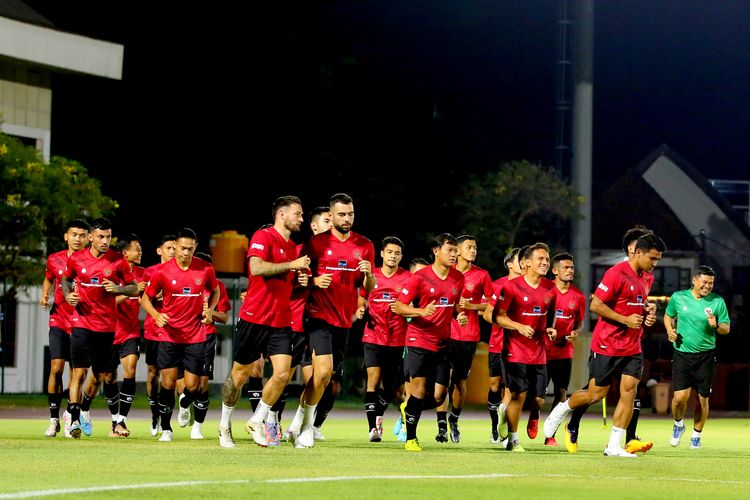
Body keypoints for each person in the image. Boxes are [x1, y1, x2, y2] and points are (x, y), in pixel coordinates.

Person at [543, 233, 665, 457]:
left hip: (633, 345)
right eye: (653, 258)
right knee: (595, 394)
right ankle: (562, 409)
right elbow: (596, 305)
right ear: (638, 252)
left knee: (629, 391)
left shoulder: (647, 277)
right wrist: (625, 320)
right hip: (607, 344)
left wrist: (647, 312)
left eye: (657, 259)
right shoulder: (616, 273)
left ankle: (614, 446)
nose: (654, 264)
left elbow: (639, 302)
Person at [217, 196, 310, 448]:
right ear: (282, 214)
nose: (302, 219)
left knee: (282, 374)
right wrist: (291, 265)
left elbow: (283, 281)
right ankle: (224, 425)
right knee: (239, 376)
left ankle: (257, 419)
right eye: (298, 214)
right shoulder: (264, 237)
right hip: (254, 318)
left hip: (280, 321)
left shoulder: (293, 247)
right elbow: (257, 268)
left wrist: (299, 281)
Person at [289, 193, 376, 448]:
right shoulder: (314, 244)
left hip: (344, 321)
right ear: (331, 215)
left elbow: (368, 287)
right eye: (341, 214)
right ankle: (307, 428)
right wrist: (314, 281)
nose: (346, 219)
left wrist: (369, 275)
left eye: (350, 214)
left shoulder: (365, 245)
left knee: (324, 379)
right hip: (317, 316)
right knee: (323, 371)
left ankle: (297, 420)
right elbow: (297, 280)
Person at [61, 217, 138, 439]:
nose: (105, 241)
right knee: (79, 372)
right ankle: (73, 418)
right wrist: (68, 295)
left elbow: (134, 289)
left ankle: (84, 409)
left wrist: (118, 288)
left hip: (106, 327)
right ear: (91, 237)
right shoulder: (77, 259)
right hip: (82, 323)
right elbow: (66, 280)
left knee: (101, 375)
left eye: (108, 237)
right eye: (101, 237)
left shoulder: (117, 261)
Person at [141, 228, 220, 442]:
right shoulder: (161, 271)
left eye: (190, 249)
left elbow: (216, 290)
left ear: (195, 248)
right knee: (167, 382)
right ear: (175, 246)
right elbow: (145, 299)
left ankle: (185, 403)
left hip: (195, 335)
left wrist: (210, 310)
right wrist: (156, 315)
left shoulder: (205, 269)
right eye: (182, 248)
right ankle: (166, 429)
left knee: (193, 385)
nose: (185, 252)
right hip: (169, 336)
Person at [393, 233, 467, 451]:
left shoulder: (458, 278)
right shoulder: (420, 277)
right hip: (418, 339)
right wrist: (421, 311)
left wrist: (458, 315)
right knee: (419, 388)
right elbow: (398, 306)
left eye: (456, 251)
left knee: (439, 396)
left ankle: (409, 410)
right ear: (436, 251)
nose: (454, 255)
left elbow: (453, 306)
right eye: (450, 250)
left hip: (443, 342)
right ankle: (411, 439)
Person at [484, 242, 557, 452]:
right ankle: (514, 440)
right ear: (526, 263)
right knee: (517, 395)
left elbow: (549, 314)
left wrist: (551, 329)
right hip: (513, 350)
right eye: (540, 259)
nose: (545, 263)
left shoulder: (550, 288)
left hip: (539, 352)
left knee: (538, 400)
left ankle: (505, 413)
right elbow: (496, 316)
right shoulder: (510, 287)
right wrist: (518, 326)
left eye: (547, 259)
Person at [78, 234, 147, 438]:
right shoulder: (110, 270)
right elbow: (106, 302)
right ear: (125, 253)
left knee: (131, 368)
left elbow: (150, 294)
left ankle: (120, 421)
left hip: (130, 331)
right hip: (109, 331)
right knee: (103, 377)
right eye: (137, 249)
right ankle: (84, 408)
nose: (140, 252)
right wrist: (129, 292)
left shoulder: (144, 274)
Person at [664, 265, 730, 449]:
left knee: (702, 399)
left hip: (706, 356)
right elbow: (668, 316)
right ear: (694, 280)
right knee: (679, 398)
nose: (708, 286)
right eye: (705, 282)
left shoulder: (717, 302)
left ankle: (696, 436)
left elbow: (726, 329)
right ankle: (678, 425)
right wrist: (670, 331)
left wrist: (716, 324)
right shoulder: (678, 297)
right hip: (682, 354)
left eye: (711, 283)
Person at [282, 206, 333, 442]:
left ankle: (301, 426)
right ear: (314, 226)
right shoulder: (301, 251)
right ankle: (270, 421)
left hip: (324, 323)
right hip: (296, 322)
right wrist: (313, 280)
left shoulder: (338, 253)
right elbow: (286, 283)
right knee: (283, 375)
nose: (332, 224)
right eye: (327, 220)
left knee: (320, 378)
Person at [436, 234, 493, 443]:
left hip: (468, 336)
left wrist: (472, 307)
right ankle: (441, 424)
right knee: (441, 383)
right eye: (469, 247)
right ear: (457, 251)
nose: (473, 251)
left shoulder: (482, 275)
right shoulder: (446, 273)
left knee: (460, 383)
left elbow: (490, 304)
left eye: (475, 247)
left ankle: (454, 419)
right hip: (444, 334)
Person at [357, 236, 411, 442]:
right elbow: (362, 295)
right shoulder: (372, 276)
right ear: (382, 253)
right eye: (389, 252)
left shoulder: (407, 278)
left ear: (401, 256)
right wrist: (361, 307)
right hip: (372, 336)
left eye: (397, 253)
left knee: (390, 388)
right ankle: (372, 428)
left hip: (397, 339)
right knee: (373, 378)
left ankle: (379, 413)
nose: (393, 256)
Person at [39, 219, 89, 437]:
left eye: (82, 235)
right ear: (66, 236)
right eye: (74, 234)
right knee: (56, 368)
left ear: (88, 238)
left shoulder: (91, 262)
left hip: (83, 322)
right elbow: (48, 278)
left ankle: (71, 416)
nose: (78, 239)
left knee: (76, 373)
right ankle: (53, 419)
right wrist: (45, 295)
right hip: (59, 319)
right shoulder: (54, 259)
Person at [176, 252, 232, 439]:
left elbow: (224, 317)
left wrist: (210, 312)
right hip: (181, 337)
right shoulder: (183, 282)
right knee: (186, 386)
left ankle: (197, 428)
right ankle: (184, 405)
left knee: (202, 384)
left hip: (206, 338)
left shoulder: (218, 288)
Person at [542, 252, 586, 447]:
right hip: (541, 350)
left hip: (564, 352)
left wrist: (576, 332)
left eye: (572, 268)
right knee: (536, 396)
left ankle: (550, 435)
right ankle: (533, 418)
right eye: (566, 267)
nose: (570, 271)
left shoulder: (578, 296)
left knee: (561, 393)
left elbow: (580, 323)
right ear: (555, 270)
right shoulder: (545, 290)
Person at [481, 246, 524, 445]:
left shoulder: (529, 285)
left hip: (517, 348)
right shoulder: (498, 285)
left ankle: (506, 433)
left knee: (510, 389)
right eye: (519, 259)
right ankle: (495, 426)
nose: (523, 263)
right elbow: (486, 312)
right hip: (496, 344)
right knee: (495, 385)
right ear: (509, 264)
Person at [142, 234, 177, 436]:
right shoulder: (150, 272)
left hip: (174, 332)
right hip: (153, 330)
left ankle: (167, 418)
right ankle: (154, 412)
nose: (172, 251)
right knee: (153, 373)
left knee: (169, 376)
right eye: (168, 247)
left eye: (175, 247)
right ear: (159, 250)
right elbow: (143, 299)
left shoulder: (182, 271)